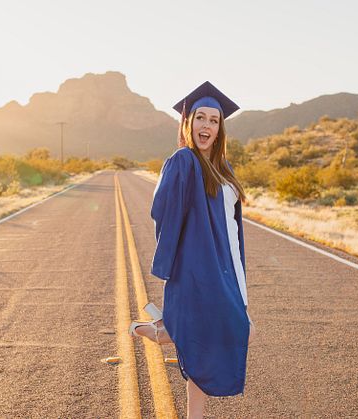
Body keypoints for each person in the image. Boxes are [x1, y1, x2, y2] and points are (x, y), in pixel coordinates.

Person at [129, 81, 251, 419]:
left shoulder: (224, 170)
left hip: (227, 270)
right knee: (203, 340)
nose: (207, 126)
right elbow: (162, 210)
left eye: (214, 120)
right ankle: (158, 329)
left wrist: (242, 290)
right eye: (201, 118)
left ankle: (154, 329)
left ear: (220, 128)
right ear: (189, 122)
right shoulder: (183, 161)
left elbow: (232, 231)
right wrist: (177, 262)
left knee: (222, 333)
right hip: (199, 271)